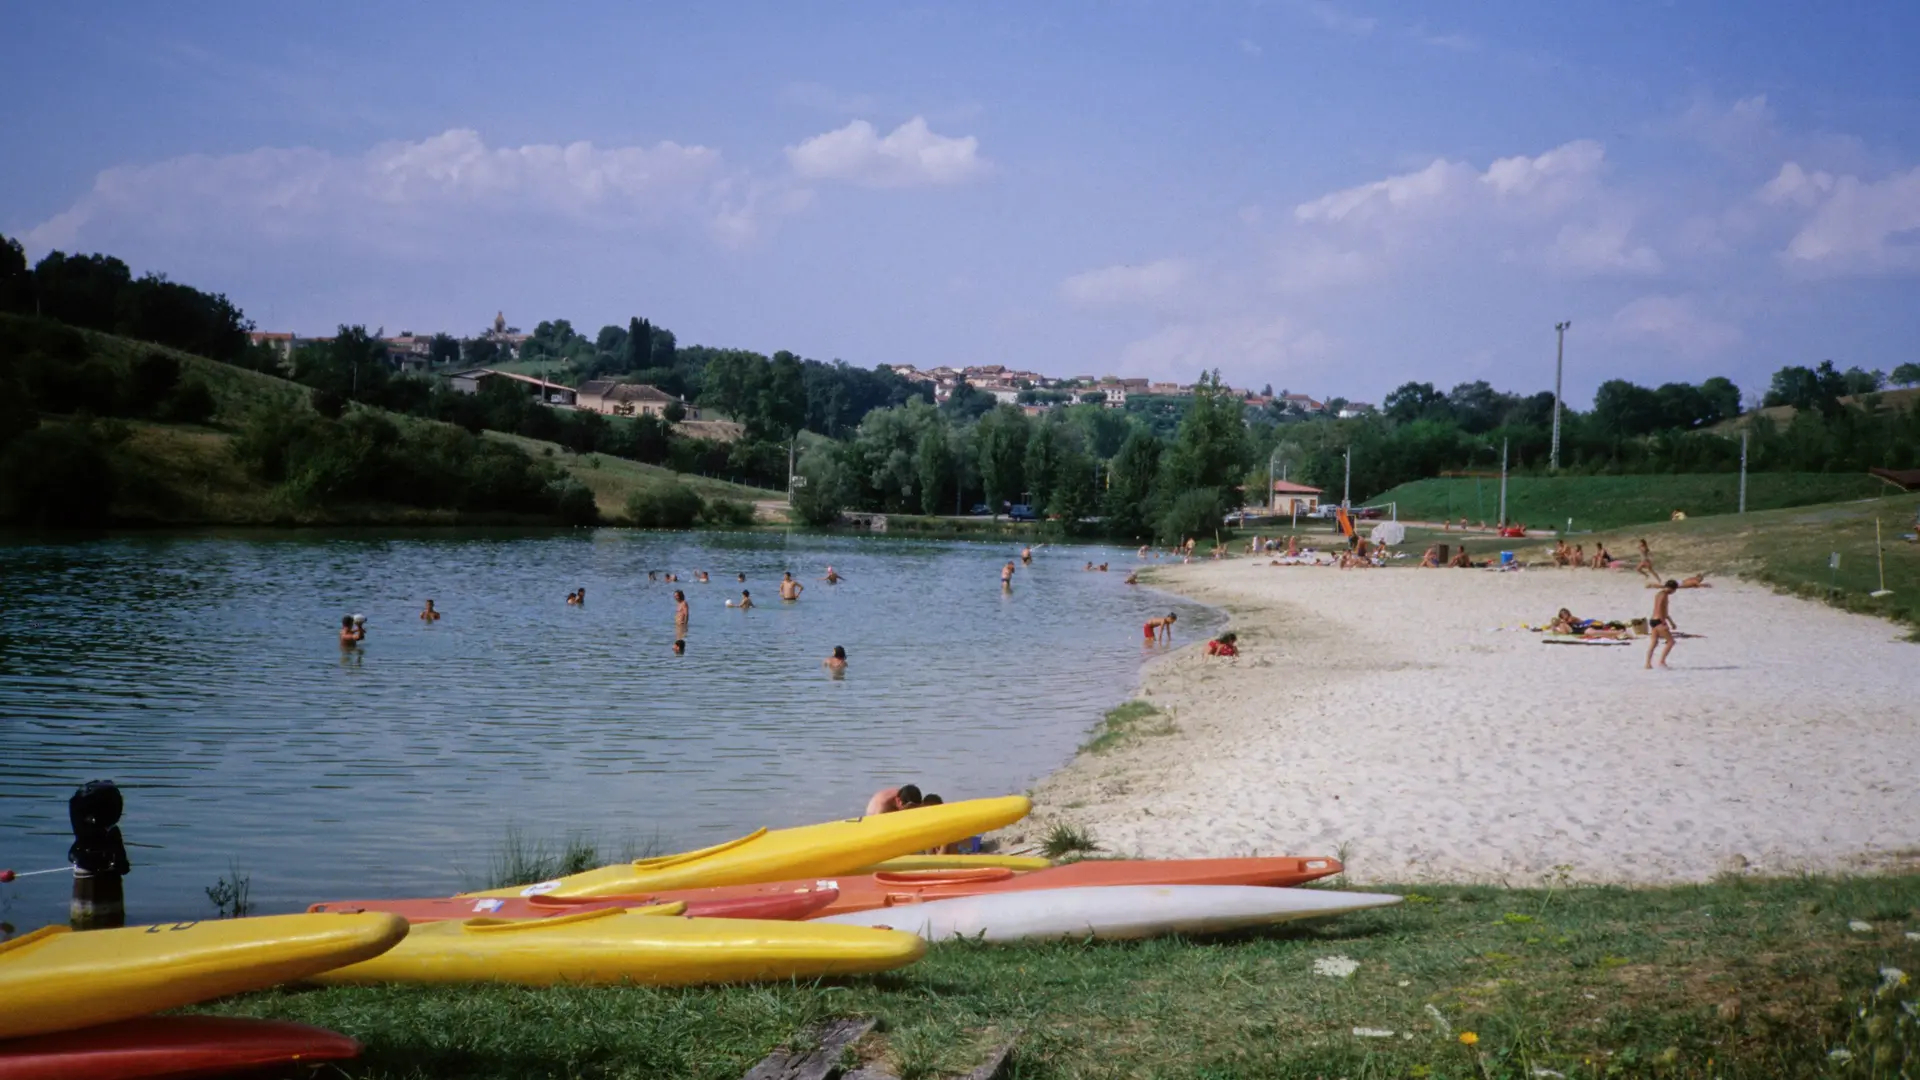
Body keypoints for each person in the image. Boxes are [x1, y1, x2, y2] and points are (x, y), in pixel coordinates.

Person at [1646, 579, 1680, 669]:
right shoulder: (1664, 595)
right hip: (1659, 621)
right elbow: (1661, 609)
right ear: (1672, 589)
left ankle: (1648, 663)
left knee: (1654, 643)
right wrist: (1664, 622)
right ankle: (1662, 662)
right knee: (1670, 642)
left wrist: (1671, 622)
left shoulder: (1659, 594)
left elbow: (1663, 610)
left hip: (1653, 620)